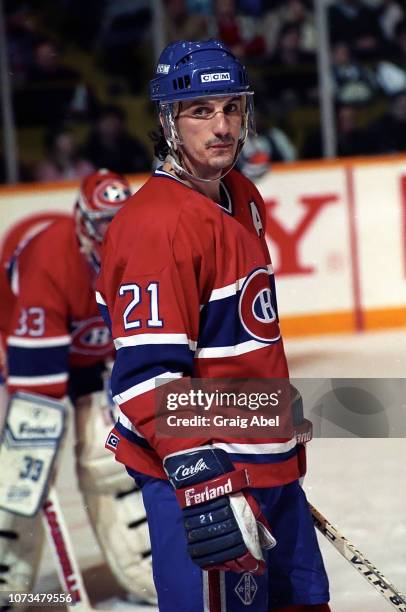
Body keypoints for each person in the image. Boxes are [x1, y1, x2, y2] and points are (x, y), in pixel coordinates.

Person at [96, 40, 331, 611]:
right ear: (167, 120)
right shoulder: (156, 226)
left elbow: (244, 335)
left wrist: (272, 414)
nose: (221, 125)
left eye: (231, 108)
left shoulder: (242, 196)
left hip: (264, 465)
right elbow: (147, 377)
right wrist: (201, 476)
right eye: (201, 110)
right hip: (203, 477)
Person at [0, 169, 156, 606]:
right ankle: (8, 580)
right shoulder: (51, 255)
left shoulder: (146, 252)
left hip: (93, 363)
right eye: (105, 223)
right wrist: (37, 429)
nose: (114, 233)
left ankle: (145, 570)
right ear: (83, 220)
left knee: (108, 461)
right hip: (27, 352)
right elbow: (37, 380)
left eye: (120, 219)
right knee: (25, 467)